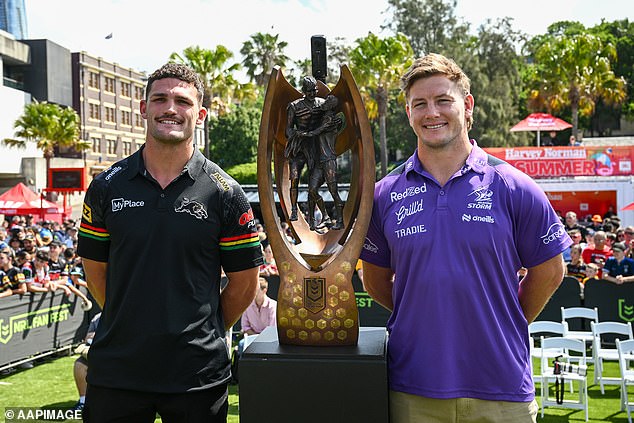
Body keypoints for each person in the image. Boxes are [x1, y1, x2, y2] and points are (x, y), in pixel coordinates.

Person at [360, 53, 571, 423]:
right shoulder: (383, 194)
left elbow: (551, 271)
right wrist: (421, 312)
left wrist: (505, 317)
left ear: (467, 105)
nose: (432, 113)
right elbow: (374, 279)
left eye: (443, 100)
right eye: (419, 104)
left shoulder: (514, 185)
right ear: (408, 113)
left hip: (502, 388)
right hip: (413, 388)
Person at [77, 63, 263, 423]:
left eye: (183, 101)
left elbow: (244, 284)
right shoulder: (107, 186)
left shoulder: (226, 192)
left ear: (201, 114)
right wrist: (128, 319)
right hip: (118, 370)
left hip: (197, 374)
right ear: (144, 108)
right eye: (160, 99)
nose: (170, 109)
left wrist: (202, 330)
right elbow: (96, 273)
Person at [285, 76, 330, 229]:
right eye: (309, 91)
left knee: (312, 182)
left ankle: (312, 219)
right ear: (304, 91)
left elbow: (328, 121)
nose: (312, 94)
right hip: (298, 146)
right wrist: (296, 135)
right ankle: (293, 209)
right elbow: (288, 128)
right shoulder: (294, 106)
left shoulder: (321, 104)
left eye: (314, 91)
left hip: (315, 146)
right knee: (294, 177)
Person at [72, 312, 101, 412]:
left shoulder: (120, 315)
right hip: (97, 353)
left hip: (116, 354)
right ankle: (83, 402)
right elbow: (87, 338)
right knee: (79, 363)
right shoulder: (97, 318)